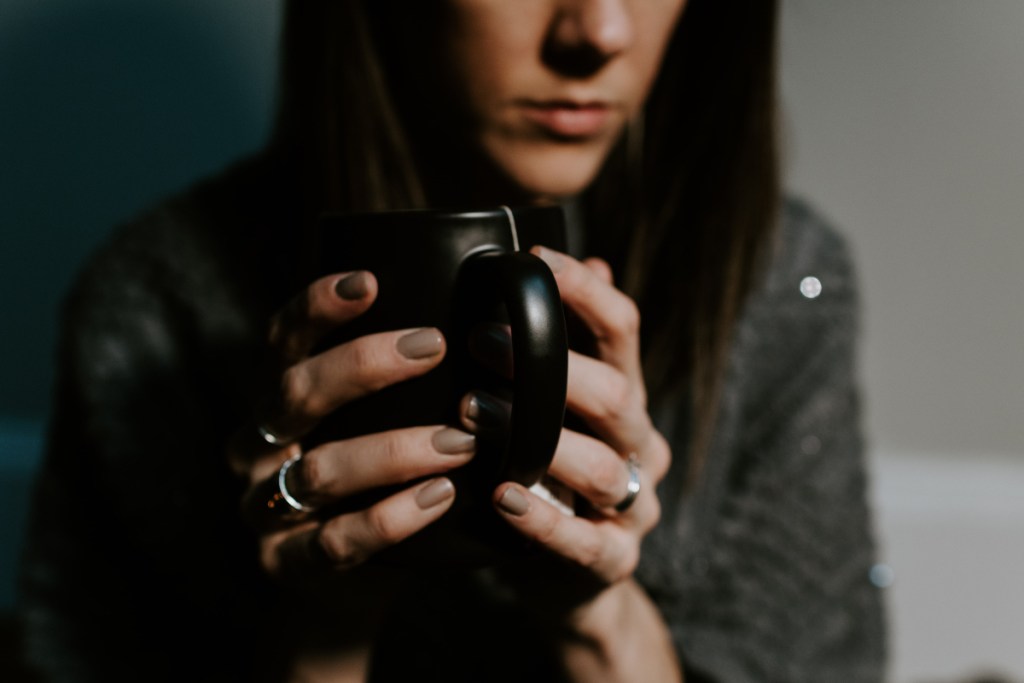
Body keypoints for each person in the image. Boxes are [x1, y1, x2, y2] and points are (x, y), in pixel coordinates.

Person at [21, 0, 887, 681]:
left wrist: (600, 617)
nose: (600, 31)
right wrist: (323, 630)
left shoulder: (777, 284)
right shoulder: (160, 309)